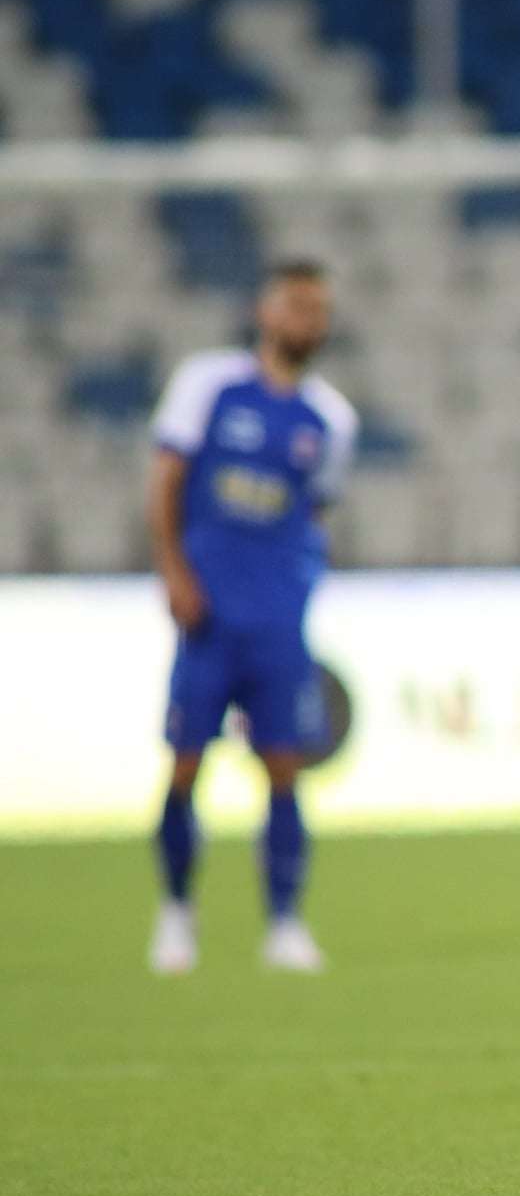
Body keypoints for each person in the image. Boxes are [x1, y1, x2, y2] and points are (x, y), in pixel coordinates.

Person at [145, 260, 357, 976]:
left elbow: (313, 516)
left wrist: (297, 590)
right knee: (186, 760)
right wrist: (174, 570)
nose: (308, 320)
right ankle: (177, 910)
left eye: (318, 309)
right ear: (265, 311)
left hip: (276, 622)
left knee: (286, 764)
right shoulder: (208, 386)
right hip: (208, 612)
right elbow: (167, 480)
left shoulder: (331, 420)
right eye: (296, 304)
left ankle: (285, 922)